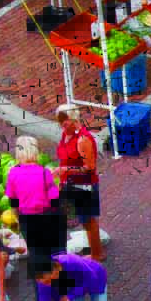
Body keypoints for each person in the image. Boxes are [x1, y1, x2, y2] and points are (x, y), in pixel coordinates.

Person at [54, 106, 104, 263]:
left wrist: (65, 170)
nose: (62, 125)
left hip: (84, 186)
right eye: (60, 121)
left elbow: (89, 167)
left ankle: (97, 254)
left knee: (89, 220)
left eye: (64, 121)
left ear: (73, 119)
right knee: (83, 219)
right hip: (71, 184)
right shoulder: (65, 135)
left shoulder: (83, 139)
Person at [8, 135, 65, 265]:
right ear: (35, 151)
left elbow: (13, 201)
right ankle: (59, 279)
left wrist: (18, 217)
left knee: (36, 253)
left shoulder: (13, 173)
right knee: (56, 252)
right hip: (47, 216)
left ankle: (40, 282)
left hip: (27, 219)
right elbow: (54, 199)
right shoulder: (44, 173)